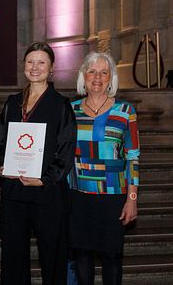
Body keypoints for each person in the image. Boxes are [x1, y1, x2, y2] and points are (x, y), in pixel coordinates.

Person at [0, 41, 77, 285]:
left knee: (53, 257)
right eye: (30, 62)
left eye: (41, 62)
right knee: (13, 257)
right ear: (24, 67)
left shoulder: (61, 105)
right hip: (15, 190)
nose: (34, 67)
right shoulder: (12, 102)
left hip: (47, 192)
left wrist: (45, 178)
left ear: (51, 69)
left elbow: (66, 149)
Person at [68, 52, 139, 285]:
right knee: (82, 256)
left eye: (103, 72)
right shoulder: (71, 110)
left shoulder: (126, 111)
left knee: (112, 258)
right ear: (83, 77)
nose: (97, 77)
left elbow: (133, 158)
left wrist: (132, 198)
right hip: (78, 196)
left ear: (111, 79)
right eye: (92, 71)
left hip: (113, 196)